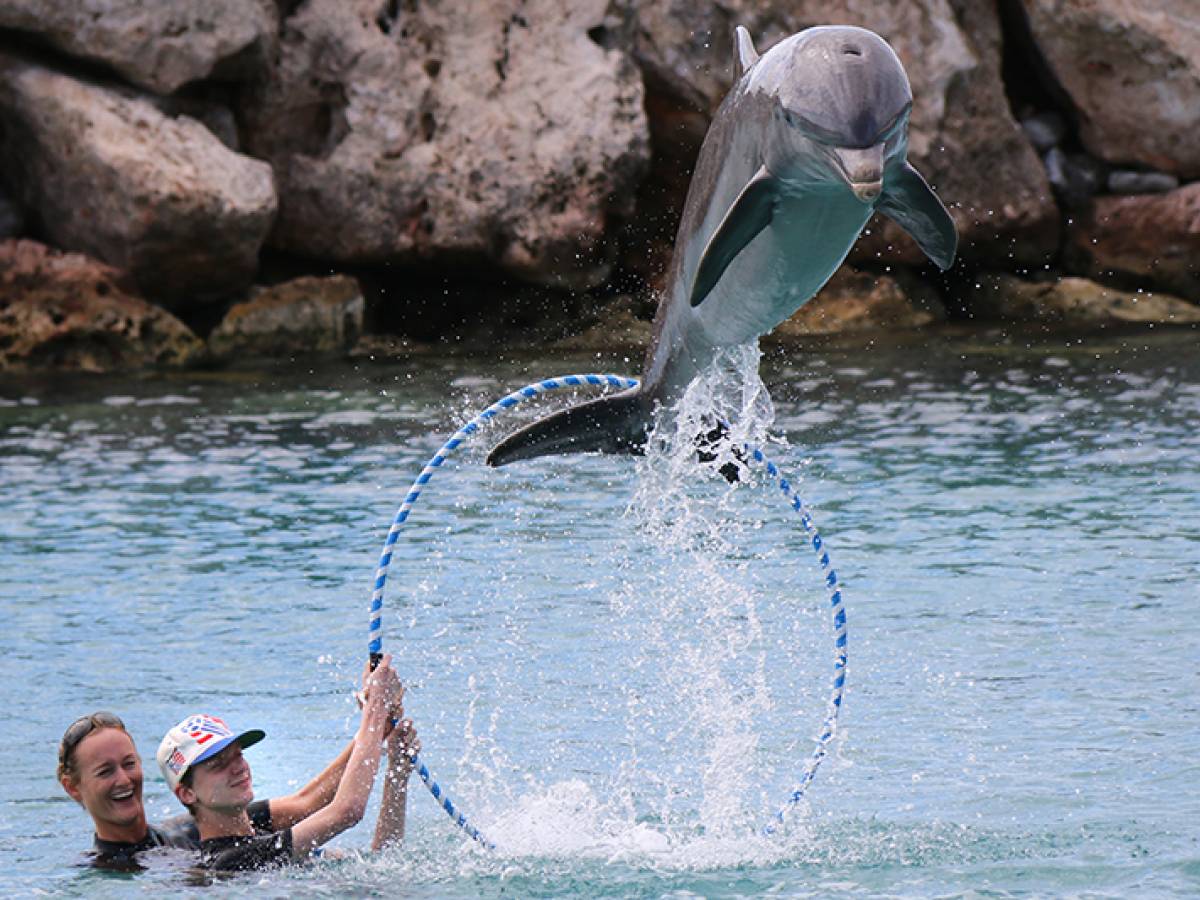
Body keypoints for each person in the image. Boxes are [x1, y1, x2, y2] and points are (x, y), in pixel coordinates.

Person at [157, 654, 418, 872]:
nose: (237, 767)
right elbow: (346, 811)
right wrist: (375, 710)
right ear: (186, 793)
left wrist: (397, 767)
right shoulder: (229, 863)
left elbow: (383, 865)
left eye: (238, 754)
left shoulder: (258, 831)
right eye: (218, 764)